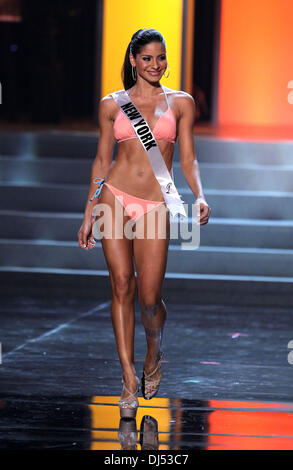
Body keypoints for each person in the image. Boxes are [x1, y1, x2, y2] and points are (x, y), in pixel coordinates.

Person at [78, 28, 211, 418]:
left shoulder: (182, 103)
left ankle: (154, 350)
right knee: (121, 284)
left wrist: (199, 194)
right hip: (113, 198)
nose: (156, 65)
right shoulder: (111, 105)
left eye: (161, 57)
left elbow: (188, 158)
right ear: (134, 60)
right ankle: (128, 378)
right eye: (148, 58)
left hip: (156, 204)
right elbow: (102, 161)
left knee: (150, 298)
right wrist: (89, 211)